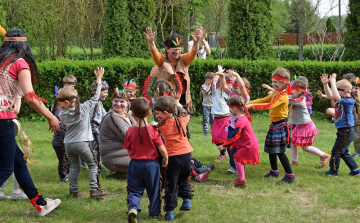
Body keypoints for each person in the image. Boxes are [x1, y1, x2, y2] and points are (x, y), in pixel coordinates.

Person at [0, 28, 61, 216]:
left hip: (4, 119)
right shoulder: (20, 63)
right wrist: (51, 116)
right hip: (2, 121)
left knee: (18, 162)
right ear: (24, 45)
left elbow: (16, 106)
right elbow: (31, 97)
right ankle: (41, 204)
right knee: (5, 168)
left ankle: (40, 204)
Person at [58, 67, 108, 197]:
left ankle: (74, 191)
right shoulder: (84, 109)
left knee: (74, 167)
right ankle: (94, 190)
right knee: (93, 164)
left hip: (68, 144)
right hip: (82, 143)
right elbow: (95, 97)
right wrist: (98, 79)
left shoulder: (62, 115)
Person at [247, 67, 296, 183]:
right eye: (272, 82)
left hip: (281, 125)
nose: (273, 84)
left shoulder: (283, 96)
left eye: (275, 82)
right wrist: (247, 103)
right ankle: (274, 171)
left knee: (279, 151)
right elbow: (264, 100)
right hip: (274, 125)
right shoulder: (275, 93)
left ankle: (290, 176)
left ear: (284, 83)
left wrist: (251, 107)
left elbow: (269, 105)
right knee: (271, 149)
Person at [124, 97, 168, 222]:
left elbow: (128, 148)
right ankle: (154, 213)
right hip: (151, 165)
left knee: (134, 189)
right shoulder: (154, 130)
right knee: (154, 189)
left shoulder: (130, 131)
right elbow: (162, 148)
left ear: (132, 114)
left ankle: (133, 208)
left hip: (135, 164)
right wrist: (166, 158)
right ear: (150, 112)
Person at [144, 26, 203, 110]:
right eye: (175, 50)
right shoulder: (161, 60)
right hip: (165, 96)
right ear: (167, 49)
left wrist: (196, 43)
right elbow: (154, 51)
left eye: (179, 50)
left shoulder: (184, 59)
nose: (177, 52)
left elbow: (193, 52)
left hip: (181, 97)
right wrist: (151, 42)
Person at [154, 96, 193, 221]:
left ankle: (170, 211)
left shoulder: (160, 127)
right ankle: (187, 200)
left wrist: (153, 125)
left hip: (172, 158)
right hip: (186, 155)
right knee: (184, 178)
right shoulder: (182, 120)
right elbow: (187, 113)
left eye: (158, 114)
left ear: (165, 113)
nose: (157, 117)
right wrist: (178, 104)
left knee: (171, 185)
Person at [320, 73, 360, 177]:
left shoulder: (349, 100)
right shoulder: (341, 98)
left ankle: (333, 172)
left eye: (337, 90)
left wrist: (333, 81)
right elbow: (330, 95)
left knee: (336, 151)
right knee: (343, 152)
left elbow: (336, 96)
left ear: (345, 91)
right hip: (344, 131)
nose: (335, 92)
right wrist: (326, 84)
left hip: (346, 131)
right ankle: (355, 170)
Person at [218, 95, 259, 187]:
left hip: (249, 144)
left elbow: (235, 135)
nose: (230, 111)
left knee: (237, 158)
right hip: (248, 144)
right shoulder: (241, 118)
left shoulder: (240, 120)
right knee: (239, 159)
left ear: (235, 108)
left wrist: (224, 145)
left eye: (230, 109)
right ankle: (241, 178)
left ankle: (241, 180)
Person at [288, 80, 330, 167]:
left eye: (292, 91)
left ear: (299, 91)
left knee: (305, 147)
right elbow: (288, 97)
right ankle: (294, 161)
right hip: (299, 125)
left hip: (306, 126)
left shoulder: (301, 100)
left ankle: (324, 155)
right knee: (293, 142)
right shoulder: (294, 97)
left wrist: (280, 96)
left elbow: (289, 101)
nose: (290, 92)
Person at [217, 69, 250, 173]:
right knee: (231, 147)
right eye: (233, 87)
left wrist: (236, 74)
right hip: (232, 127)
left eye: (236, 87)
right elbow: (224, 87)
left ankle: (238, 165)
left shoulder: (245, 98)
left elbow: (241, 87)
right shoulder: (232, 95)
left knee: (239, 147)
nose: (234, 89)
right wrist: (222, 77)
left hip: (240, 128)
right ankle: (233, 166)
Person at [99, 91, 136, 176]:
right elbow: (128, 138)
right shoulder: (112, 116)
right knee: (144, 165)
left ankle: (122, 173)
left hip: (128, 155)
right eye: (115, 101)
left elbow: (138, 130)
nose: (118, 104)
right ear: (112, 103)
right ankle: (119, 174)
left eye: (122, 102)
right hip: (114, 158)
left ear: (128, 104)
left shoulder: (127, 115)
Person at [0, 97, 28, 199]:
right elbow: (15, 110)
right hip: (4, 126)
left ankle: (11, 191)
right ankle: (15, 191)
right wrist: (18, 95)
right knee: (8, 165)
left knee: (16, 160)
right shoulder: (8, 90)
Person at [211, 65, 231, 163]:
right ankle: (224, 151)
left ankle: (222, 154)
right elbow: (213, 83)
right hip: (216, 118)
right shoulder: (215, 92)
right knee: (215, 136)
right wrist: (218, 73)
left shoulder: (229, 93)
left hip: (226, 118)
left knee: (225, 137)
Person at [89, 80, 109, 171]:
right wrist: (102, 125)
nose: (106, 94)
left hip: (98, 130)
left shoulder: (99, 103)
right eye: (104, 92)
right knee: (97, 148)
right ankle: (96, 167)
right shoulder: (94, 104)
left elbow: (105, 115)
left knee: (97, 148)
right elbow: (92, 119)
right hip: (95, 131)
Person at [52, 88, 69, 183]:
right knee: (63, 160)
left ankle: (67, 174)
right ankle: (63, 177)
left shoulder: (60, 111)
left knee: (66, 159)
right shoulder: (59, 113)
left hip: (62, 141)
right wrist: (66, 140)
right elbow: (61, 129)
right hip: (60, 142)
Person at [201, 72, 214, 136]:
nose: (213, 82)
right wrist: (212, 86)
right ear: (207, 80)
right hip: (206, 105)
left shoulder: (213, 86)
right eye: (212, 81)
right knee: (206, 118)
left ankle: (213, 130)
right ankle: (205, 130)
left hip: (213, 105)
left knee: (213, 119)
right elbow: (207, 92)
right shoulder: (203, 86)